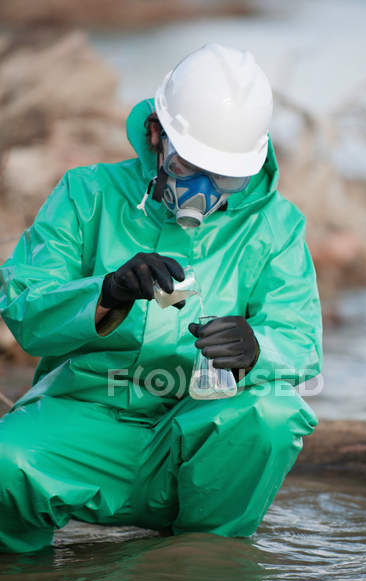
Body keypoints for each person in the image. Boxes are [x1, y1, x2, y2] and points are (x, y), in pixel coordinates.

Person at [0, 43, 322, 553]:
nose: (204, 192)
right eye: (189, 166)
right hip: (86, 416)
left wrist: (257, 348)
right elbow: (25, 309)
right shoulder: (88, 195)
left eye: (226, 178)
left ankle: (206, 568)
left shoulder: (275, 226)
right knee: (3, 466)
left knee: (273, 412)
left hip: (201, 430)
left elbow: (301, 342)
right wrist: (106, 292)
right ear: (156, 134)